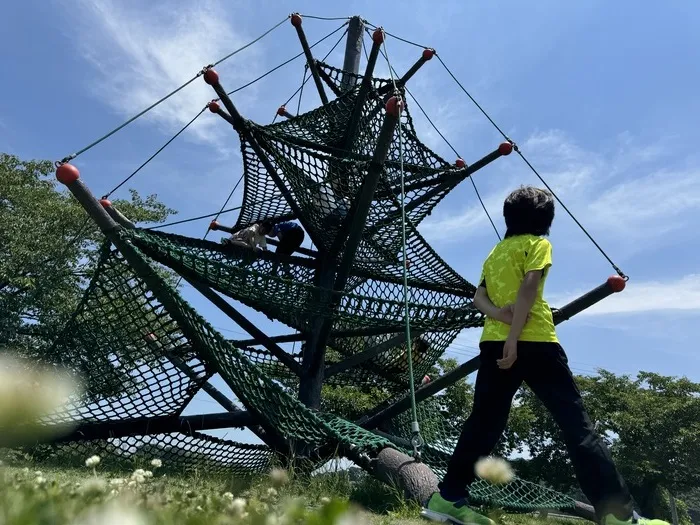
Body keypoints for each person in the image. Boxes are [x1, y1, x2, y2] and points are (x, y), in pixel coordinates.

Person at [422, 186, 669, 525]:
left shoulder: (495, 253)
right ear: (546, 220)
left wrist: (501, 318)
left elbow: (478, 297)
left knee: (483, 423)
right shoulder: (539, 244)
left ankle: (447, 498)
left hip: (492, 343)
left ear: (508, 217)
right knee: (577, 427)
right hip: (536, 342)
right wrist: (515, 336)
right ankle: (618, 516)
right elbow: (529, 286)